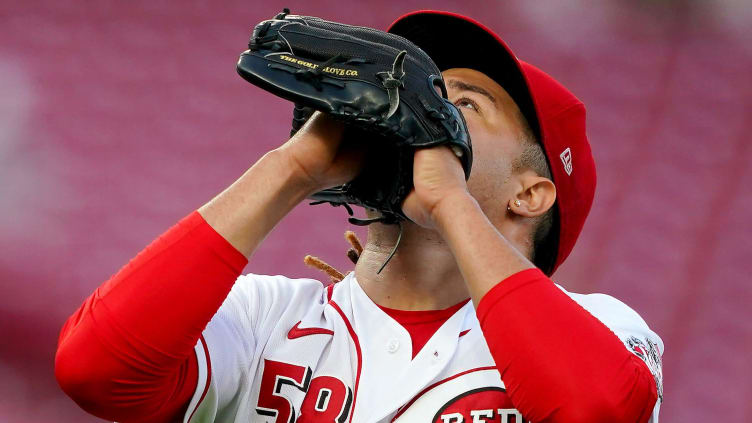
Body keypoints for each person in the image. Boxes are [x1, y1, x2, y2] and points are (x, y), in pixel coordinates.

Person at [55, 10, 663, 423]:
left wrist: (449, 202)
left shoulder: (602, 327)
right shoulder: (265, 317)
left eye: (461, 103)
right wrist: (297, 166)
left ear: (529, 194)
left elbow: (596, 409)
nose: (421, 112)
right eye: (413, 94)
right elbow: (94, 370)